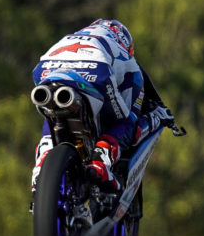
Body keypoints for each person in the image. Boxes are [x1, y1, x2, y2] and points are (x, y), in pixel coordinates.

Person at [30, 19, 146, 193]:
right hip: (96, 67)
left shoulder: (75, 36)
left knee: (52, 109)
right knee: (127, 121)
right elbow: (132, 109)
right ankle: (101, 161)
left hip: (46, 65)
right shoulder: (125, 55)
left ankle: (42, 162)